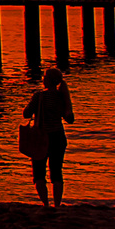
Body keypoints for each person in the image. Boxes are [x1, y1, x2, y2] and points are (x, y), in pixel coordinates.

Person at [23, 67, 75, 208]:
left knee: (39, 173)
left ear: (47, 80)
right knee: (56, 172)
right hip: (58, 137)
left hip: (41, 138)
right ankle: (57, 205)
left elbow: (26, 114)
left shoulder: (39, 96)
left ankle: (46, 204)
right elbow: (69, 118)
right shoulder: (62, 97)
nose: (42, 79)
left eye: (44, 77)